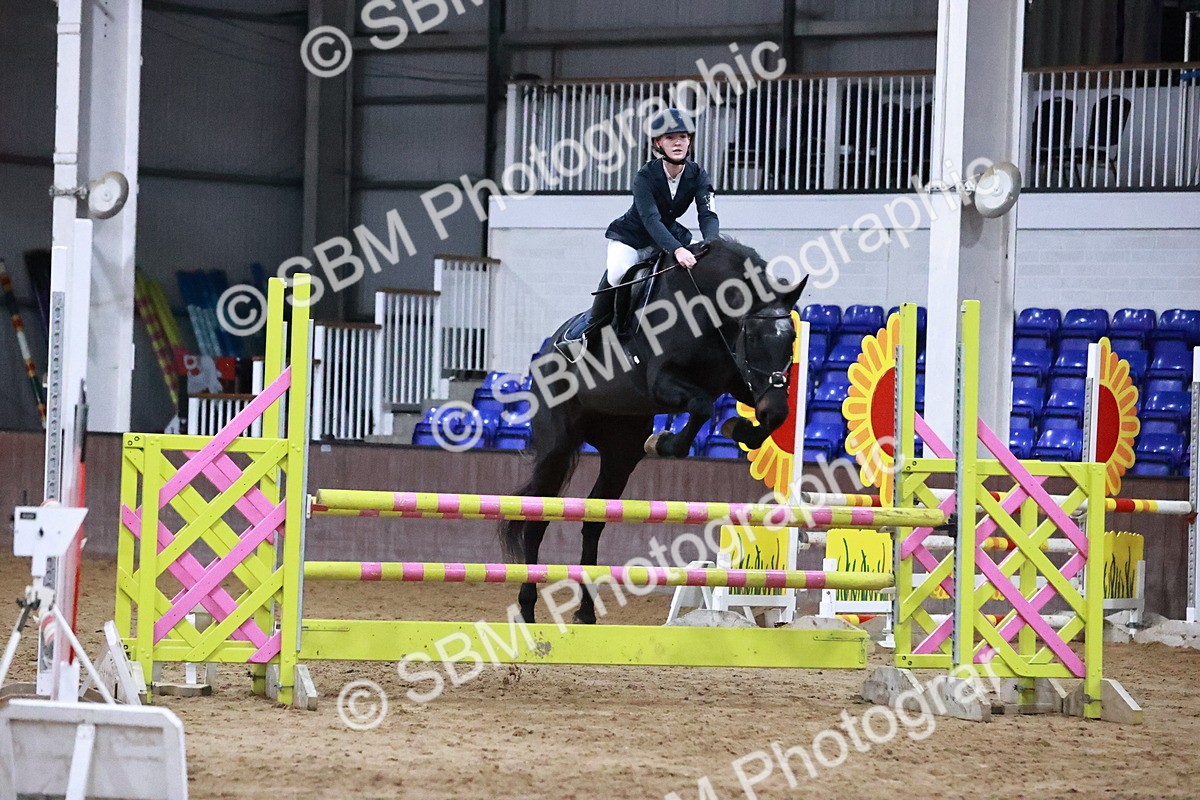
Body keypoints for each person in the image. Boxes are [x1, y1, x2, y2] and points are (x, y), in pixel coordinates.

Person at [575, 107, 719, 353]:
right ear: (658, 143)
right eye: (671, 138)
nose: (678, 143)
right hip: (633, 237)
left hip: (670, 233)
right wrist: (677, 250)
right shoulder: (645, 176)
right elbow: (651, 220)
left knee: (702, 267)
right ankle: (593, 330)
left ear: (689, 141)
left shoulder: (698, 175)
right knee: (618, 273)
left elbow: (707, 213)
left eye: (683, 137)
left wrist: (712, 243)